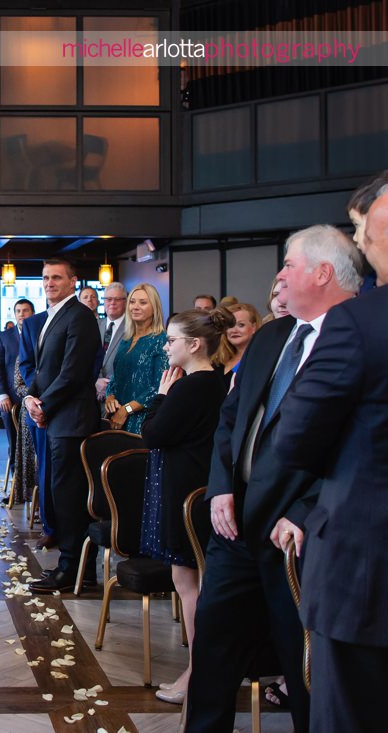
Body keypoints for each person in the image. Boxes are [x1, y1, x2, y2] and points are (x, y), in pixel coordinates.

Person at [185, 224, 362, 733]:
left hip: (297, 539)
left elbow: (362, 447)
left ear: (322, 272)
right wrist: (220, 487)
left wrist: (306, 513)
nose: (280, 274)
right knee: (214, 655)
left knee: (301, 667)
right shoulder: (274, 336)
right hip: (235, 529)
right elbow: (231, 420)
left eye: (288, 264)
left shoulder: (357, 338)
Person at [271, 196, 388, 732]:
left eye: (366, 230)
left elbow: (293, 437)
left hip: (365, 569)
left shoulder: (359, 324)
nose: (360, 243)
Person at [139, 306, 234, 704]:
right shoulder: (217, 381)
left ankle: (198, 672)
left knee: (188, 584)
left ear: (194, 344)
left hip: (186, 491)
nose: (166, 347)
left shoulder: (192, 385)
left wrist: (160, 397)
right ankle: (200, 669)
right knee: (194, 581)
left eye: (172, 340)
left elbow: (153, 434)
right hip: (197, 484)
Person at [20, 259, 102, 593]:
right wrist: (30, 397)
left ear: (73, 281)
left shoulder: (80, 316)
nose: (49, 283)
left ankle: (74, 570)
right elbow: (44, 370)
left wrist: (44, 405)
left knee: (70, 496)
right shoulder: (54, 316)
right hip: (55, 418)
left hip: (72, 421)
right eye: (45, 278)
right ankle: (72, 566)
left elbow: (73, 373)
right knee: (58, 493)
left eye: (56, 277)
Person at [104, 283, 167, 434]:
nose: (135, 307)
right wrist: (109, 396)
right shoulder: (126, 340)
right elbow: (116, 377)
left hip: (143, 421)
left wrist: (126, 410)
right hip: (115, 419)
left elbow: (159, 387)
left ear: (155, 308)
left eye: (143, 302)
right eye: (132, 302)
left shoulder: (161, 340)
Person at [16, 305, 52, 547]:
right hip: (33, 405)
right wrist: (31, 399)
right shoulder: (30, 330)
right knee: (41, 466)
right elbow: (23, 369)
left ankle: (49, 517)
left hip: (58, 408)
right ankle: (41, 512)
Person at [0, 299, 31, 476]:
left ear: (33, 313)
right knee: (14, 443)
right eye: (18, 311)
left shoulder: (39, 334)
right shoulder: (3, 337)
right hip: (10, 398)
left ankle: (33, 485)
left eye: (26, 311)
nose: (22, 314)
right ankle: (16, 487)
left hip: (35, 398)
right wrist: (2, 395)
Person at [6, 299, 37, 506]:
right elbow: (17, 383)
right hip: (29, 408)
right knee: (28, 457)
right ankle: (30, 496)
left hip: (54, 408)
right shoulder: (21, 353)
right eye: (18, 311)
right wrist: (32, 396)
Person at [95, 281, 127, 400]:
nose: (112, 303)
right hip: (93, 398)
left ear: (125, 301)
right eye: (108, 299)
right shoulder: (94, 325)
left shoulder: (133, 328)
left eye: (117, 299)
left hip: (119, 398)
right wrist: (95, 380)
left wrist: (110, 386)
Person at [215, 302, 260, 374]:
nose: (234, 330)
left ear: (254, 327)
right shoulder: (220, 359)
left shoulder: (259, 359)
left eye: (241, 325)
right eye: (230, 325)